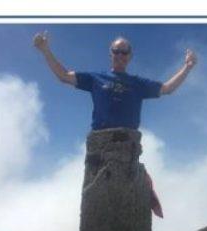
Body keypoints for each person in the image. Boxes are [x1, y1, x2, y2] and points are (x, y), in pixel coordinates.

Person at [33, 32, 196, 218]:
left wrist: (188, 67)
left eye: (124, 52)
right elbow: (63, 76)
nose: (120, 55)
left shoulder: (138, 83)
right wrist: (45, 50)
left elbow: (167, 89)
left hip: (129, 146)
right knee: (97, 205)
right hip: (99, 146)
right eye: (116, 51)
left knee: (126, 206)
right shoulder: (96, 78)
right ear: (110, 54)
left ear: (130, 56)